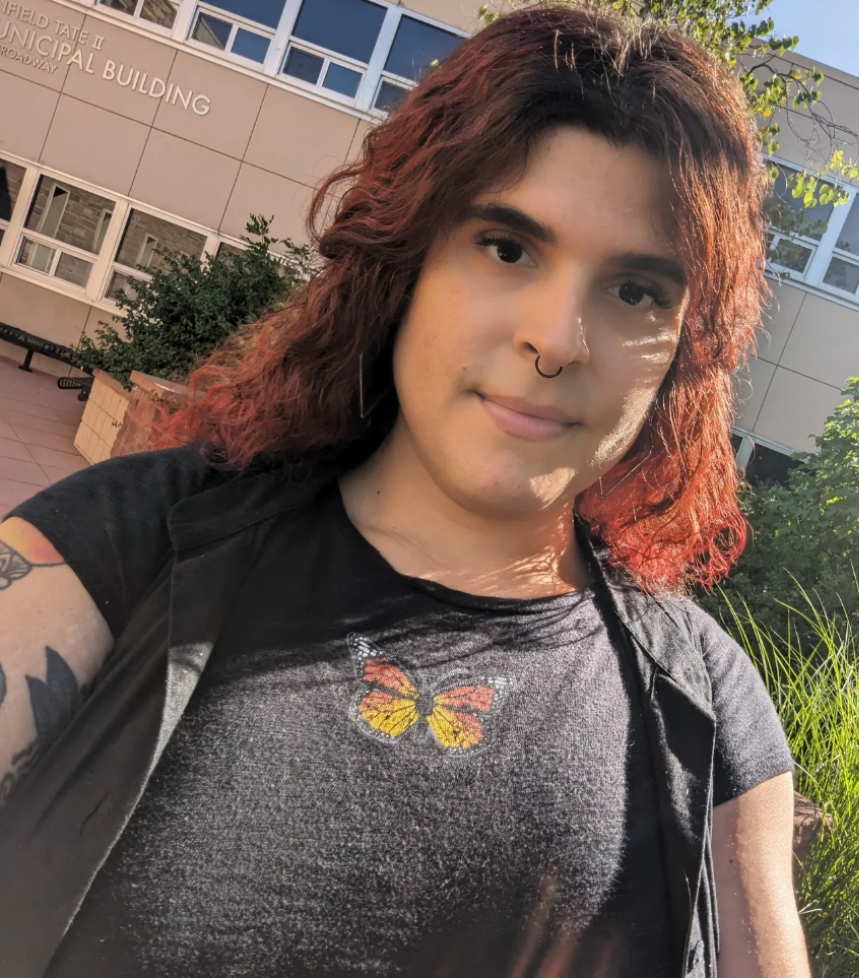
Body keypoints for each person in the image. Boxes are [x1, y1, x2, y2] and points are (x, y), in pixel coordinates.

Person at [0, 3, 812, 976]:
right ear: (407, 262)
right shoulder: (117, 554)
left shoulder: (707, 715)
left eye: (635, 290)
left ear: (684, 348)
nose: (556, 339)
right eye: (507, 248)